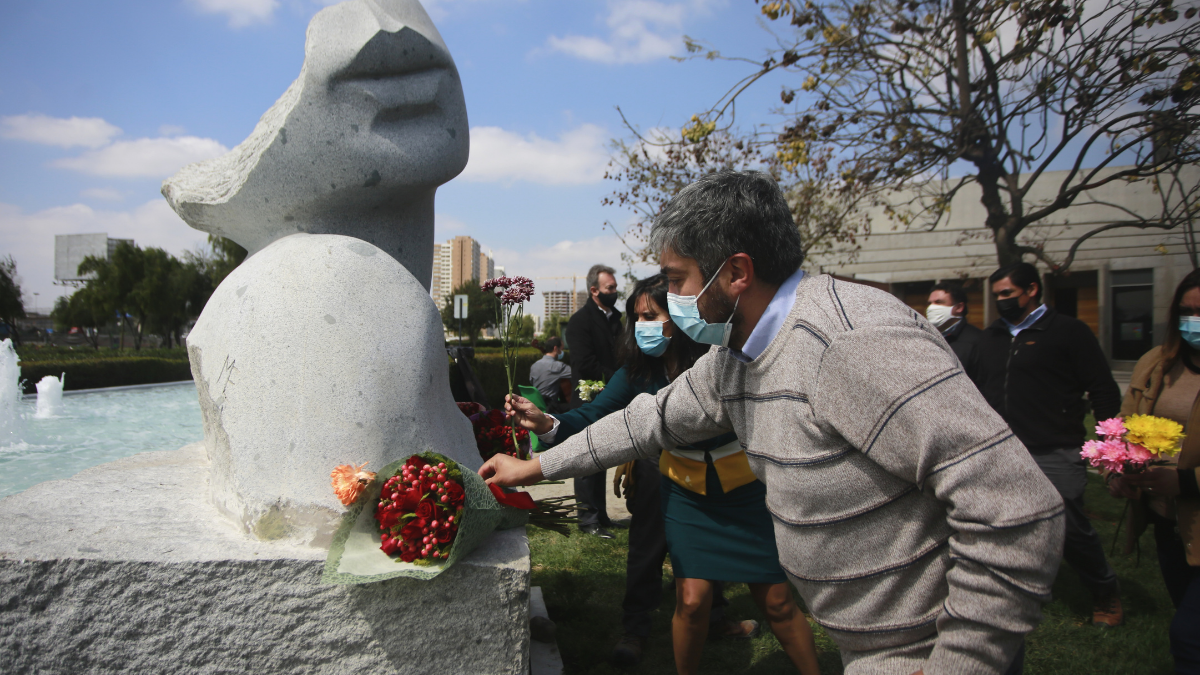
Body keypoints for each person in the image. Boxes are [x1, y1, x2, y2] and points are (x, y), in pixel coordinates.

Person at [482, 170, 1064, 675]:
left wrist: (960, 662)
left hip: (927, 650)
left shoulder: (850, 340)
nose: (673, 298)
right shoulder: (736, 358)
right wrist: (535, 465)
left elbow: (1016, 509)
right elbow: (646, 421)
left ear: (736, 272)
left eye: (679, 280)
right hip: (868, 649)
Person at [509, 275, 821, 674]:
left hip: (743, 492)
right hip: (682, 491)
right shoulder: (637, 371)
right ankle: (640, 631)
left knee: (777, 601)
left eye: (650, 316)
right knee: (689, 600)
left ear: (677, 317)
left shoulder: (719, 357)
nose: (643, 326)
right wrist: (547, 420)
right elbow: (596, 415)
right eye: (637, 319)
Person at [973, 262, 1125, 628]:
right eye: (996, 297)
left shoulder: (1068, 332)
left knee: (1069, 527)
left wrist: (1110, 442)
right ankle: (1022, 592)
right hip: (1001, 452)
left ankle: (1105, 591)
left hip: (1053, 448)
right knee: (1006, 528)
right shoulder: (989, 337)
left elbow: (1103, 389)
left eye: (1007, 294)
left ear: (1032, 290)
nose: (1001, 302)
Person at [1108, 269, 1200, 671]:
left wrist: (1184, 481)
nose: (1193, 320)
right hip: (1169, 523)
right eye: (1186, 310)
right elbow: (1124, 424)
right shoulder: (1157, 364)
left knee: (1187, 637)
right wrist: (1116, 470)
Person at [564, 263, 624, 537]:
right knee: (587, 460)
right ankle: (588, 520)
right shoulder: (580, 321)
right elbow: (584, 362)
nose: (615, 291)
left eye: (615, 287)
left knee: (603, 457)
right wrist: (619, 379)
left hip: (613, 396)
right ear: (594, 290)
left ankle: (601, 515)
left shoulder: (617, 319)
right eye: (610, 288)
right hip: (589, 398)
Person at [926, 280, 982, 375]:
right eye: (930, 303)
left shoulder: (977, 340)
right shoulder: (924, 337)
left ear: (959, 307)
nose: (931, 308)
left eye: (939, 302)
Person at [528, 336, 572, 413]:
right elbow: (576, 373)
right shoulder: (558, 366)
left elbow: (532, 382)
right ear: (555, 348)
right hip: (551, 408)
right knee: (576, 407)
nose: (562, 352)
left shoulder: (534, 365)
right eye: (561, 349)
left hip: (537, 405)